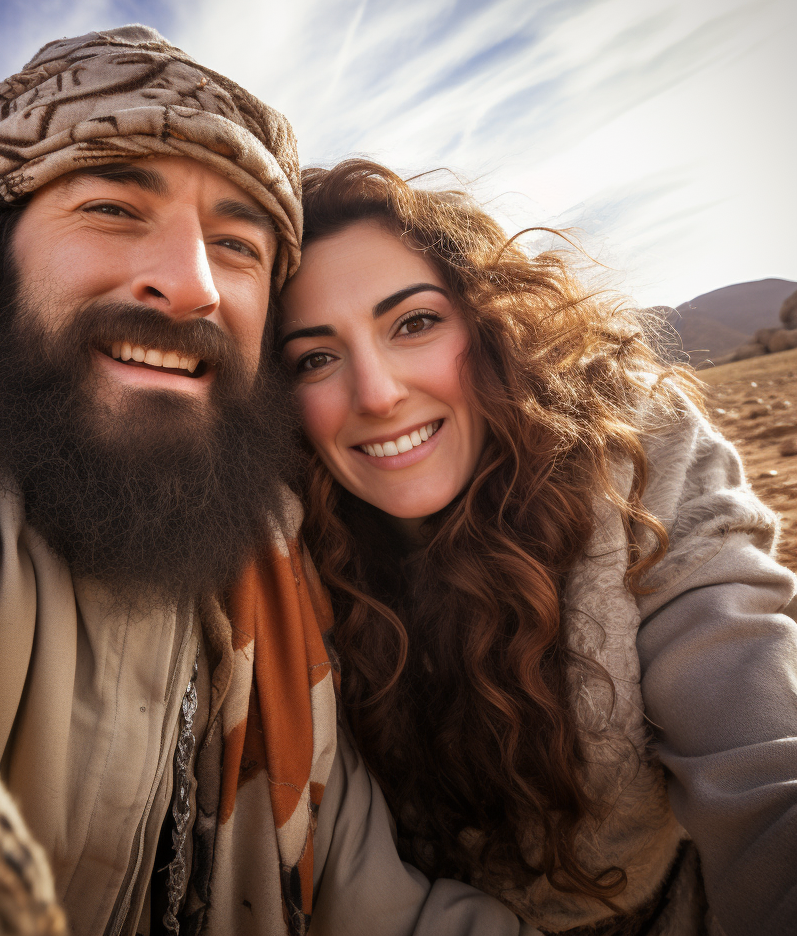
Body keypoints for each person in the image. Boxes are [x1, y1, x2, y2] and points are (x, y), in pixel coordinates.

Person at [0, 30, 538, 936]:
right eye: (111, 209)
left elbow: (373, 903)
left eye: (238, 246)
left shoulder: (275, 566)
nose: (191, 284)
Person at [279, 159, 797, 936]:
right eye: (315, 358)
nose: (378, 393)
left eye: (414, 322)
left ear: (488, 324)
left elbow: (760, 751)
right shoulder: (275, 555)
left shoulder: (636, 455)